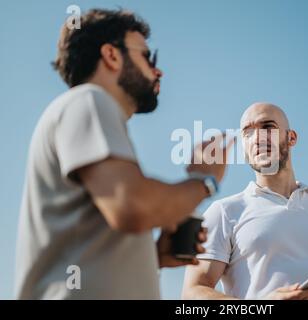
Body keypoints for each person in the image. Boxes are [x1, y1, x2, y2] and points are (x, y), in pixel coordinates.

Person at [15, 8, 231, 299]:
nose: (158, 70)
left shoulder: (88, 112)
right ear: (111, 55)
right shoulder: (89, 101)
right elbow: (131, 206)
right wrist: (205, 181)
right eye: (147, 56)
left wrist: (153, 257)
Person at [182, 102, 308, 300]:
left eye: (268, 127)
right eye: (248, 132)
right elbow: (193, 294)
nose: (258, 137)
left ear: (291, 137)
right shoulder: (225, 212)